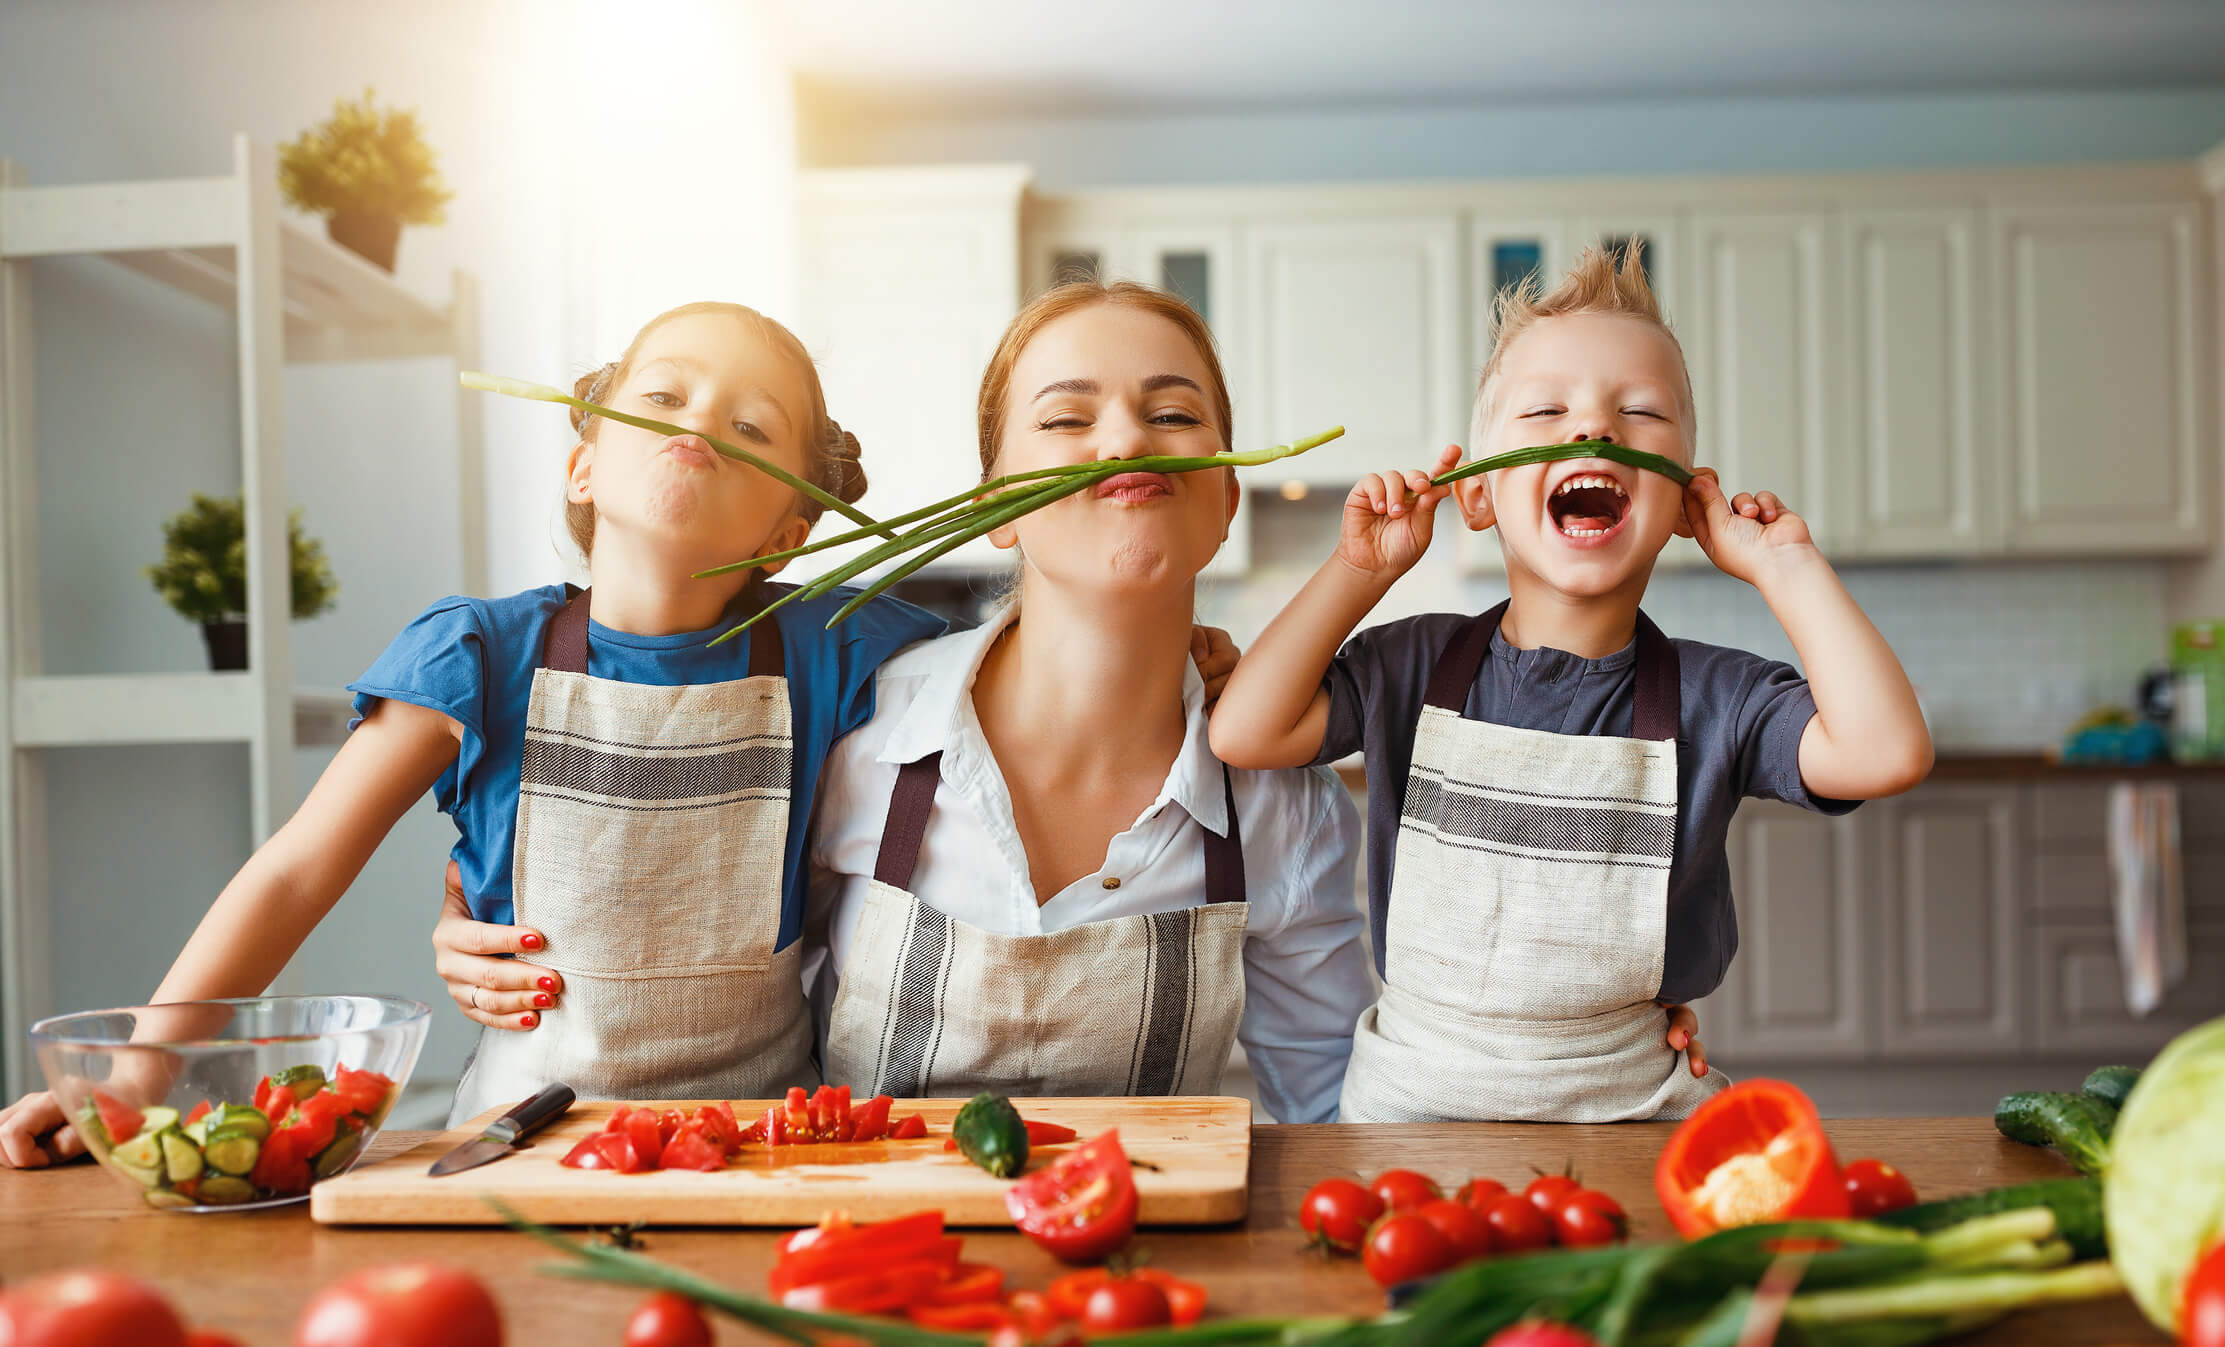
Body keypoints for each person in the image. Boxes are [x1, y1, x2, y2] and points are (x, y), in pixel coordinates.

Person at [0, 300, 944, 1163]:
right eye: (665, 394)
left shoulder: (843, 645)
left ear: (788, 534)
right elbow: (294, 870)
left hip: (757, 1148)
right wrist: (136, 1077)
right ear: (583, 462)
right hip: (523, 1137)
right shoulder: (476, 653)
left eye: (750, 426)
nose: (698, 423)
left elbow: (1019, 665)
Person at [1210, 245, 1932, 1123]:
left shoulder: (1720, 697)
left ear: (1680, 505)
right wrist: (1359, 572)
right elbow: (1244, 730)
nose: (1593, 429)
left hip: (1633, 1117)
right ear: (1477, 496)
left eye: (1638, 410)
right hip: (1407, 1114)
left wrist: (1786, 568)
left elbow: (1885, 751)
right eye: (1546, 408)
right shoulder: (1410, 664)